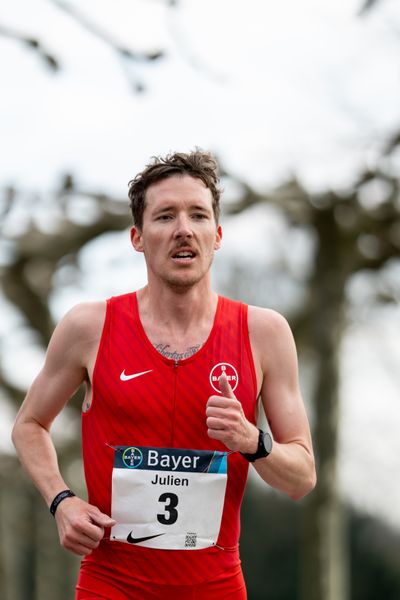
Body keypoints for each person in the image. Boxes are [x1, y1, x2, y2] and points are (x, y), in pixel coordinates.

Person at [12, 150, 316, 599]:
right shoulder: (90, 327)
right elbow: (29, 425)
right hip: (111, 585)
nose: (183, 230)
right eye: (165, 216)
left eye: (198, 215)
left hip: (216, 586)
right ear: (137, 237)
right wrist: (61, 501)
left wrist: (253, 440)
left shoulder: (264, 333)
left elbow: (302, 477)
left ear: (217, 233)